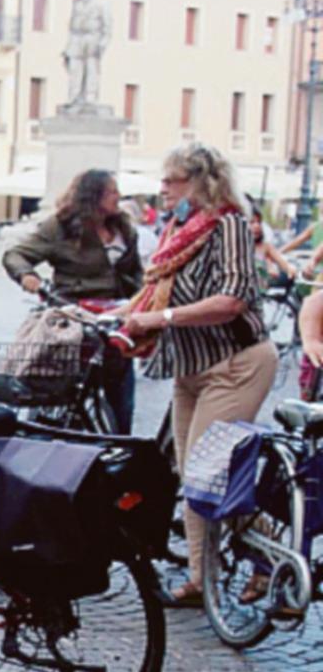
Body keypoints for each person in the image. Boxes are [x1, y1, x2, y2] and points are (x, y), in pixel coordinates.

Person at [119, 143, 276, 606]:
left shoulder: (228, 226)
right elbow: (152, 295)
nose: (163, 189)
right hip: (191, 369)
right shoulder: (180, 230)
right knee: (192, 477)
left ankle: (266, 557)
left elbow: (232, 300)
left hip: (235, 364)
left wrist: (161, 320)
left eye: (173, 180)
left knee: (212, 476)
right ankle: (200, 575)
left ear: (202, 183)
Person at [3, 169, 144, 432]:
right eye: (112, 191)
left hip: (116, 316)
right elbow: (16, 255)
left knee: (121, 389)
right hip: (75, 315)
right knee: (68, 385)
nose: (119, 196)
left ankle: (121, 441)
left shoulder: (124, 227)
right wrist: (27, 276)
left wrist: (142, 298)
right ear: (94, 195)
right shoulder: (61, 226)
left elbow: (135, 271)